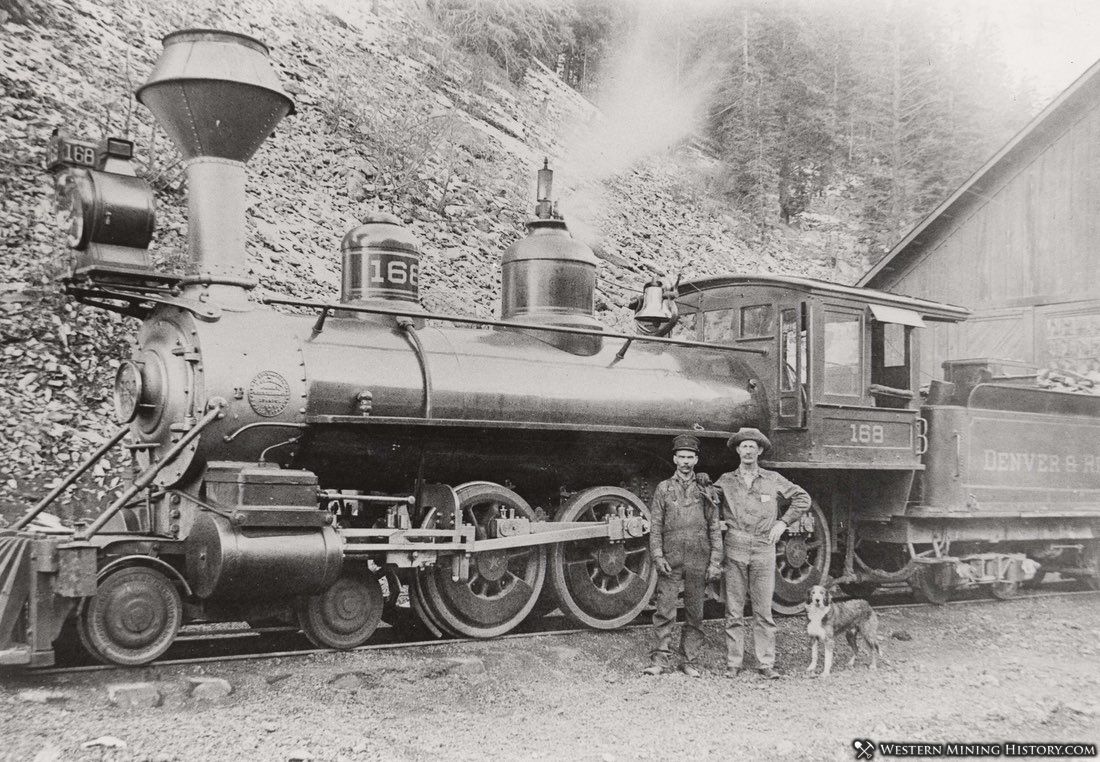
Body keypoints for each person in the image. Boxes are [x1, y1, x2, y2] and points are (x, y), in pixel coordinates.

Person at [713, 427, 810, 679]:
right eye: (743, 446)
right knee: (733, 609)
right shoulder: (725, 480)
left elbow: (802, 498)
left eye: (752, 447)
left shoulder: (773, 479)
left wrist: (783, 523)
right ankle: (733, 662)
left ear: (760, 451)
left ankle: (765, 663)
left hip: (764, 548)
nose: (748, 451)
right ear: (737, 450)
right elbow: (708, 498)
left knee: (763, 610)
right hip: (735, 546)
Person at [644, 433, 723, 678]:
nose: (686, 462)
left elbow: (714, 525)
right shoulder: (664, 489)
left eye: (690, 457)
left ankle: (689, 661)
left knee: (695, 614)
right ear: (675, 459)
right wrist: (658, 556)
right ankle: (660, 661)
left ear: (696, 459)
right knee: (665, 610)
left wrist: (715, 562)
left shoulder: (705, 489)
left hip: (699, 558)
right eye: (682, 457)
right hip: (671, 558)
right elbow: (655, 525)